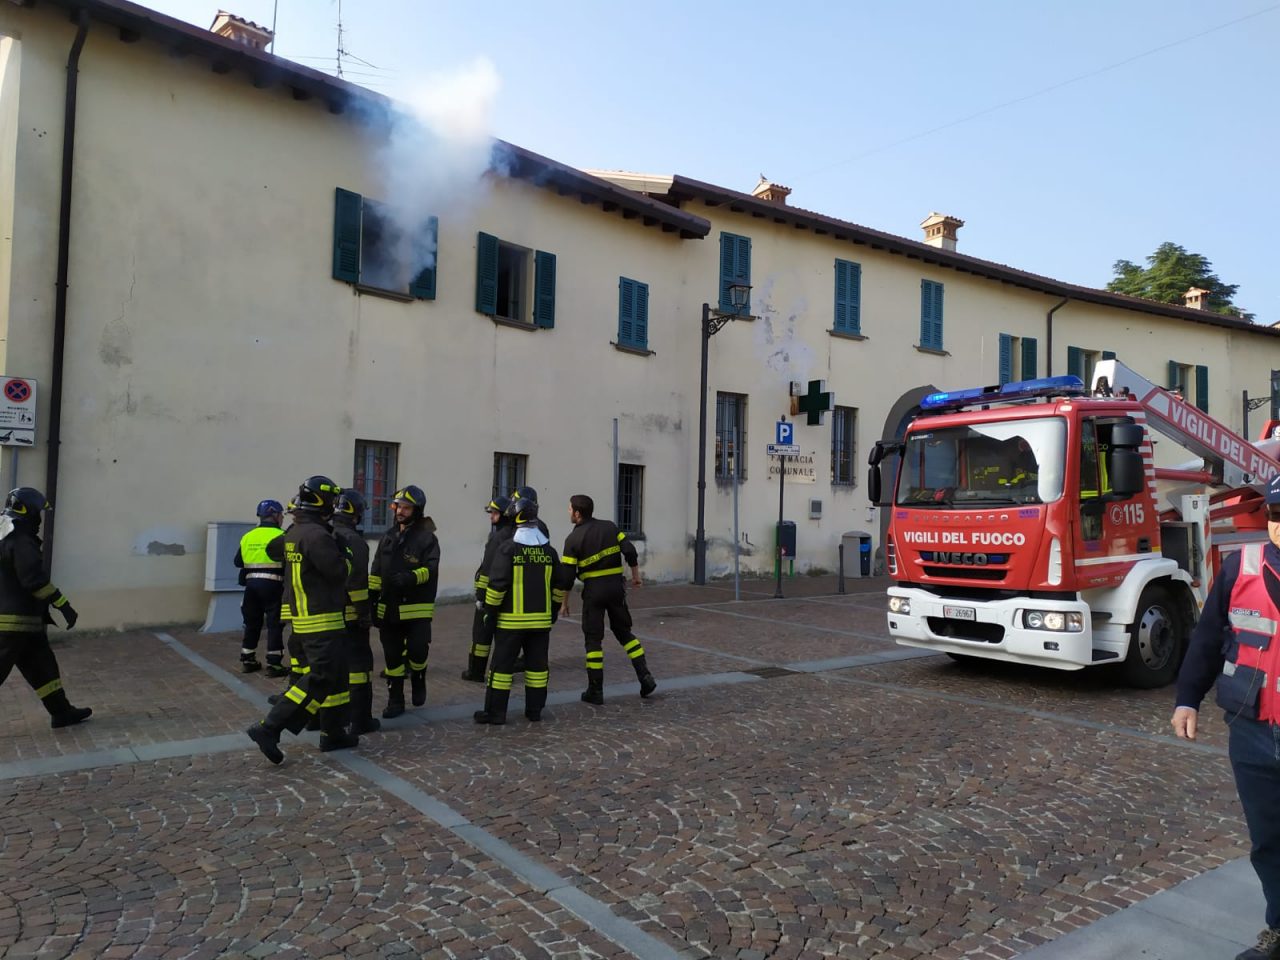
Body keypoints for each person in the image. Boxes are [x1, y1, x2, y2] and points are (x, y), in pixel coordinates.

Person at [1172, 474, 1280, 960]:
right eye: (1277, 515)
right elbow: (1210, 638)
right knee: (1269, 841)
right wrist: (1187, 698)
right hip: (1252, 730)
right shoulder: (1242, 569)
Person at [247, 475, 357, 763]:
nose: (335, 505)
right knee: (320, 678)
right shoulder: (318, 536)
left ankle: (334, 732)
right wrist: (345, 554)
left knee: (336, 678)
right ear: (323, 501)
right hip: (321, 620)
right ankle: (268, 728)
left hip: (307, 619)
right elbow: (338, 572)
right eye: (332, 499)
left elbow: (276, 551)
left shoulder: (296, 531)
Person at [0, 487, 91, 728]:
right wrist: (63, 605)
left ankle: (61, 712)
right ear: (25, 511)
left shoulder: (4, 532)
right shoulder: (20, 538)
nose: (39, 519)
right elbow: (33, 579)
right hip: (11, 624)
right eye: (37, 513)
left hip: (26, 623)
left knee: (43, 667)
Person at [475, 496, 566, 724]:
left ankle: (496, 713)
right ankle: (534, 711)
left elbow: (497, 586)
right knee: (537, 669)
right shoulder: (549, 552)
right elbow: (559, 586)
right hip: (541, 624)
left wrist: (490, 612)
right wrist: (553, 612)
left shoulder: (508, 549)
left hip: (510, 623)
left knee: (501, 670)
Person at [560, 493, 656, 704]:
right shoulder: (611, 527)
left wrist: (564, 603)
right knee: (624, 633)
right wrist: (636, 577)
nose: (568, 512)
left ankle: (596, 690)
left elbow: (566, 578)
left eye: (569, 509)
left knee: (593, 640)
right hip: (616, 589)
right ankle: (645, 676)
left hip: (594, 593)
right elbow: (629, 550)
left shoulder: (573, 539)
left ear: (577, 513)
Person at [369, 484, 439, 718]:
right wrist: (371, 599)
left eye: (406, 508)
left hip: (416, 607)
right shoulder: (388, 537)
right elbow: (376, 570)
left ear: (417, 511)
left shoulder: (427, 539)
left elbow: (431, 569)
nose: (400, 512)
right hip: (389, 608)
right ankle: (395, 700)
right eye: (398, 507)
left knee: (418, 651)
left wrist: (410, 577)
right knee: (392, 656)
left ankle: (419, 677)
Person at [332, 488, 380, 734]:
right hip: (351, 617)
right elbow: (358, 584)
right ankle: (360, 720)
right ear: (355, 513)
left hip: (325, 616)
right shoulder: (355, 542)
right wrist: (364, 615)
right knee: (360, 669)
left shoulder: (323, 535)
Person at [233, 498, 288, 676]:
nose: (282, 518)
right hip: (273, 583)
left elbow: (238, 561)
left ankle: (248, 659)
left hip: (251, 586)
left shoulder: (248, 536)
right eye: (281, 515)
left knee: (252, 622)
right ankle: (274, 664)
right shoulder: (281, 536)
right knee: (274, 623)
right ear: (274, 515)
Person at [462, 495, 510, 683]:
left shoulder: (498, 537)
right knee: (502, 637)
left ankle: (476, 672)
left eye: (495, 513)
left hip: (490, 593)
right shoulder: (514, 534)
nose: (491, 517)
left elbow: (488, 569)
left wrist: (481, 595)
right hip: (506, 595)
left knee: (481, 634)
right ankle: (499, 670)